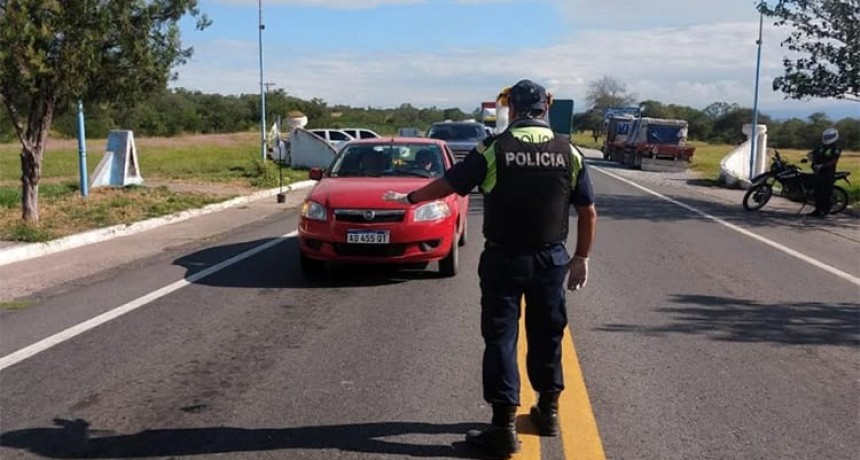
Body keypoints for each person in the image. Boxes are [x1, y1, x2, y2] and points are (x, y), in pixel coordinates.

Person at [382, 79, 597, 458]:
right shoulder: (569, 151)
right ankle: (548, 413)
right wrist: (581, 257)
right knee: (548, 334)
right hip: (551, 260)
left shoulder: (495, 149)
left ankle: (503, 428)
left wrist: (411, 197)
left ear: (511, 109)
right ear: (545, 108)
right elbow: (587, 211)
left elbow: (449, 184)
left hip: (505, 259)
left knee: (501, 338)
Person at [807, 127, 841, 218]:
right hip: (818, 172)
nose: (827, 138)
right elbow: (813, 153)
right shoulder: (821, 147)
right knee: (817, 193)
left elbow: (834, 161)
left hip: (828, 173)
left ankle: (825, 211)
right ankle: (817, 210)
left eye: (829, 136)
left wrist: (822, 165)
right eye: (826, 136)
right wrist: (809, 156)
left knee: (826, 193)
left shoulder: (835, 148)